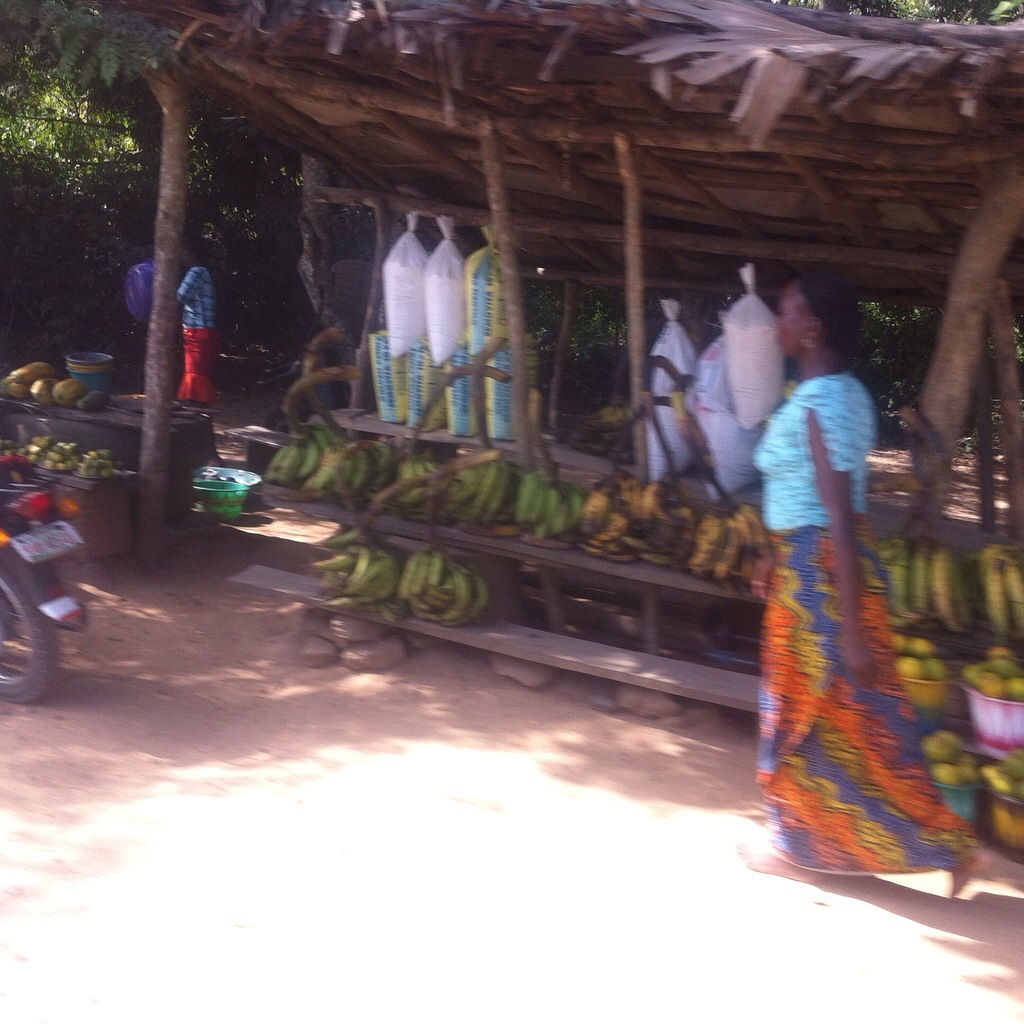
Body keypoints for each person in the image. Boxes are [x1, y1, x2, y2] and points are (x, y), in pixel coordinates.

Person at [741, 272, 985, 897]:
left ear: (812, 327)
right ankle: (941, 844)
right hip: (810, 572)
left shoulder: (823, 402)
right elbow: (814, 503)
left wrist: (850, 627)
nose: (777, 322)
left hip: (823, 585)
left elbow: (839, 516)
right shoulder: (828, 394)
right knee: (858, 726)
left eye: (787, 310)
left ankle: (797, 846)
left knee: (807, 721)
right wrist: (775, 558)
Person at [176, 239, 219, 406]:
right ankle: (198, 411)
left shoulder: (196, 272)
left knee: (194, 375)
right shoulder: (203, 272)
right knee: (197, 375)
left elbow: (181, 295)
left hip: (198, 332)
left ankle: (194, 412)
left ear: (190, 253)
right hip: (201, 332)